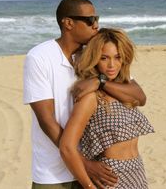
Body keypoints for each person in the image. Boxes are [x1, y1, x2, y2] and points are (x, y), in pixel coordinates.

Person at [23, 0, 146, 189]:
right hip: (54, 173)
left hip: (96, 166)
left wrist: (100, 81)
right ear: (68, 23)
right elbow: (47, 120)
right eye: (90, 20)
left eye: (97, 19)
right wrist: (83, 163)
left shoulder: (95, 54)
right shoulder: (40, 57)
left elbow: (137, 94)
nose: (96, 25)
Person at [59, 28, 154, 189]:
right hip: (110, 174)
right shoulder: (91, 97)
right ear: (95, 59)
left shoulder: (123, 87)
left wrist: (100, 81)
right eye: (104, 58)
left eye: (118, 57)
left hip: (136, 169)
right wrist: (89, 186)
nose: (112, 65)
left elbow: (141, 98)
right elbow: (66, 147)